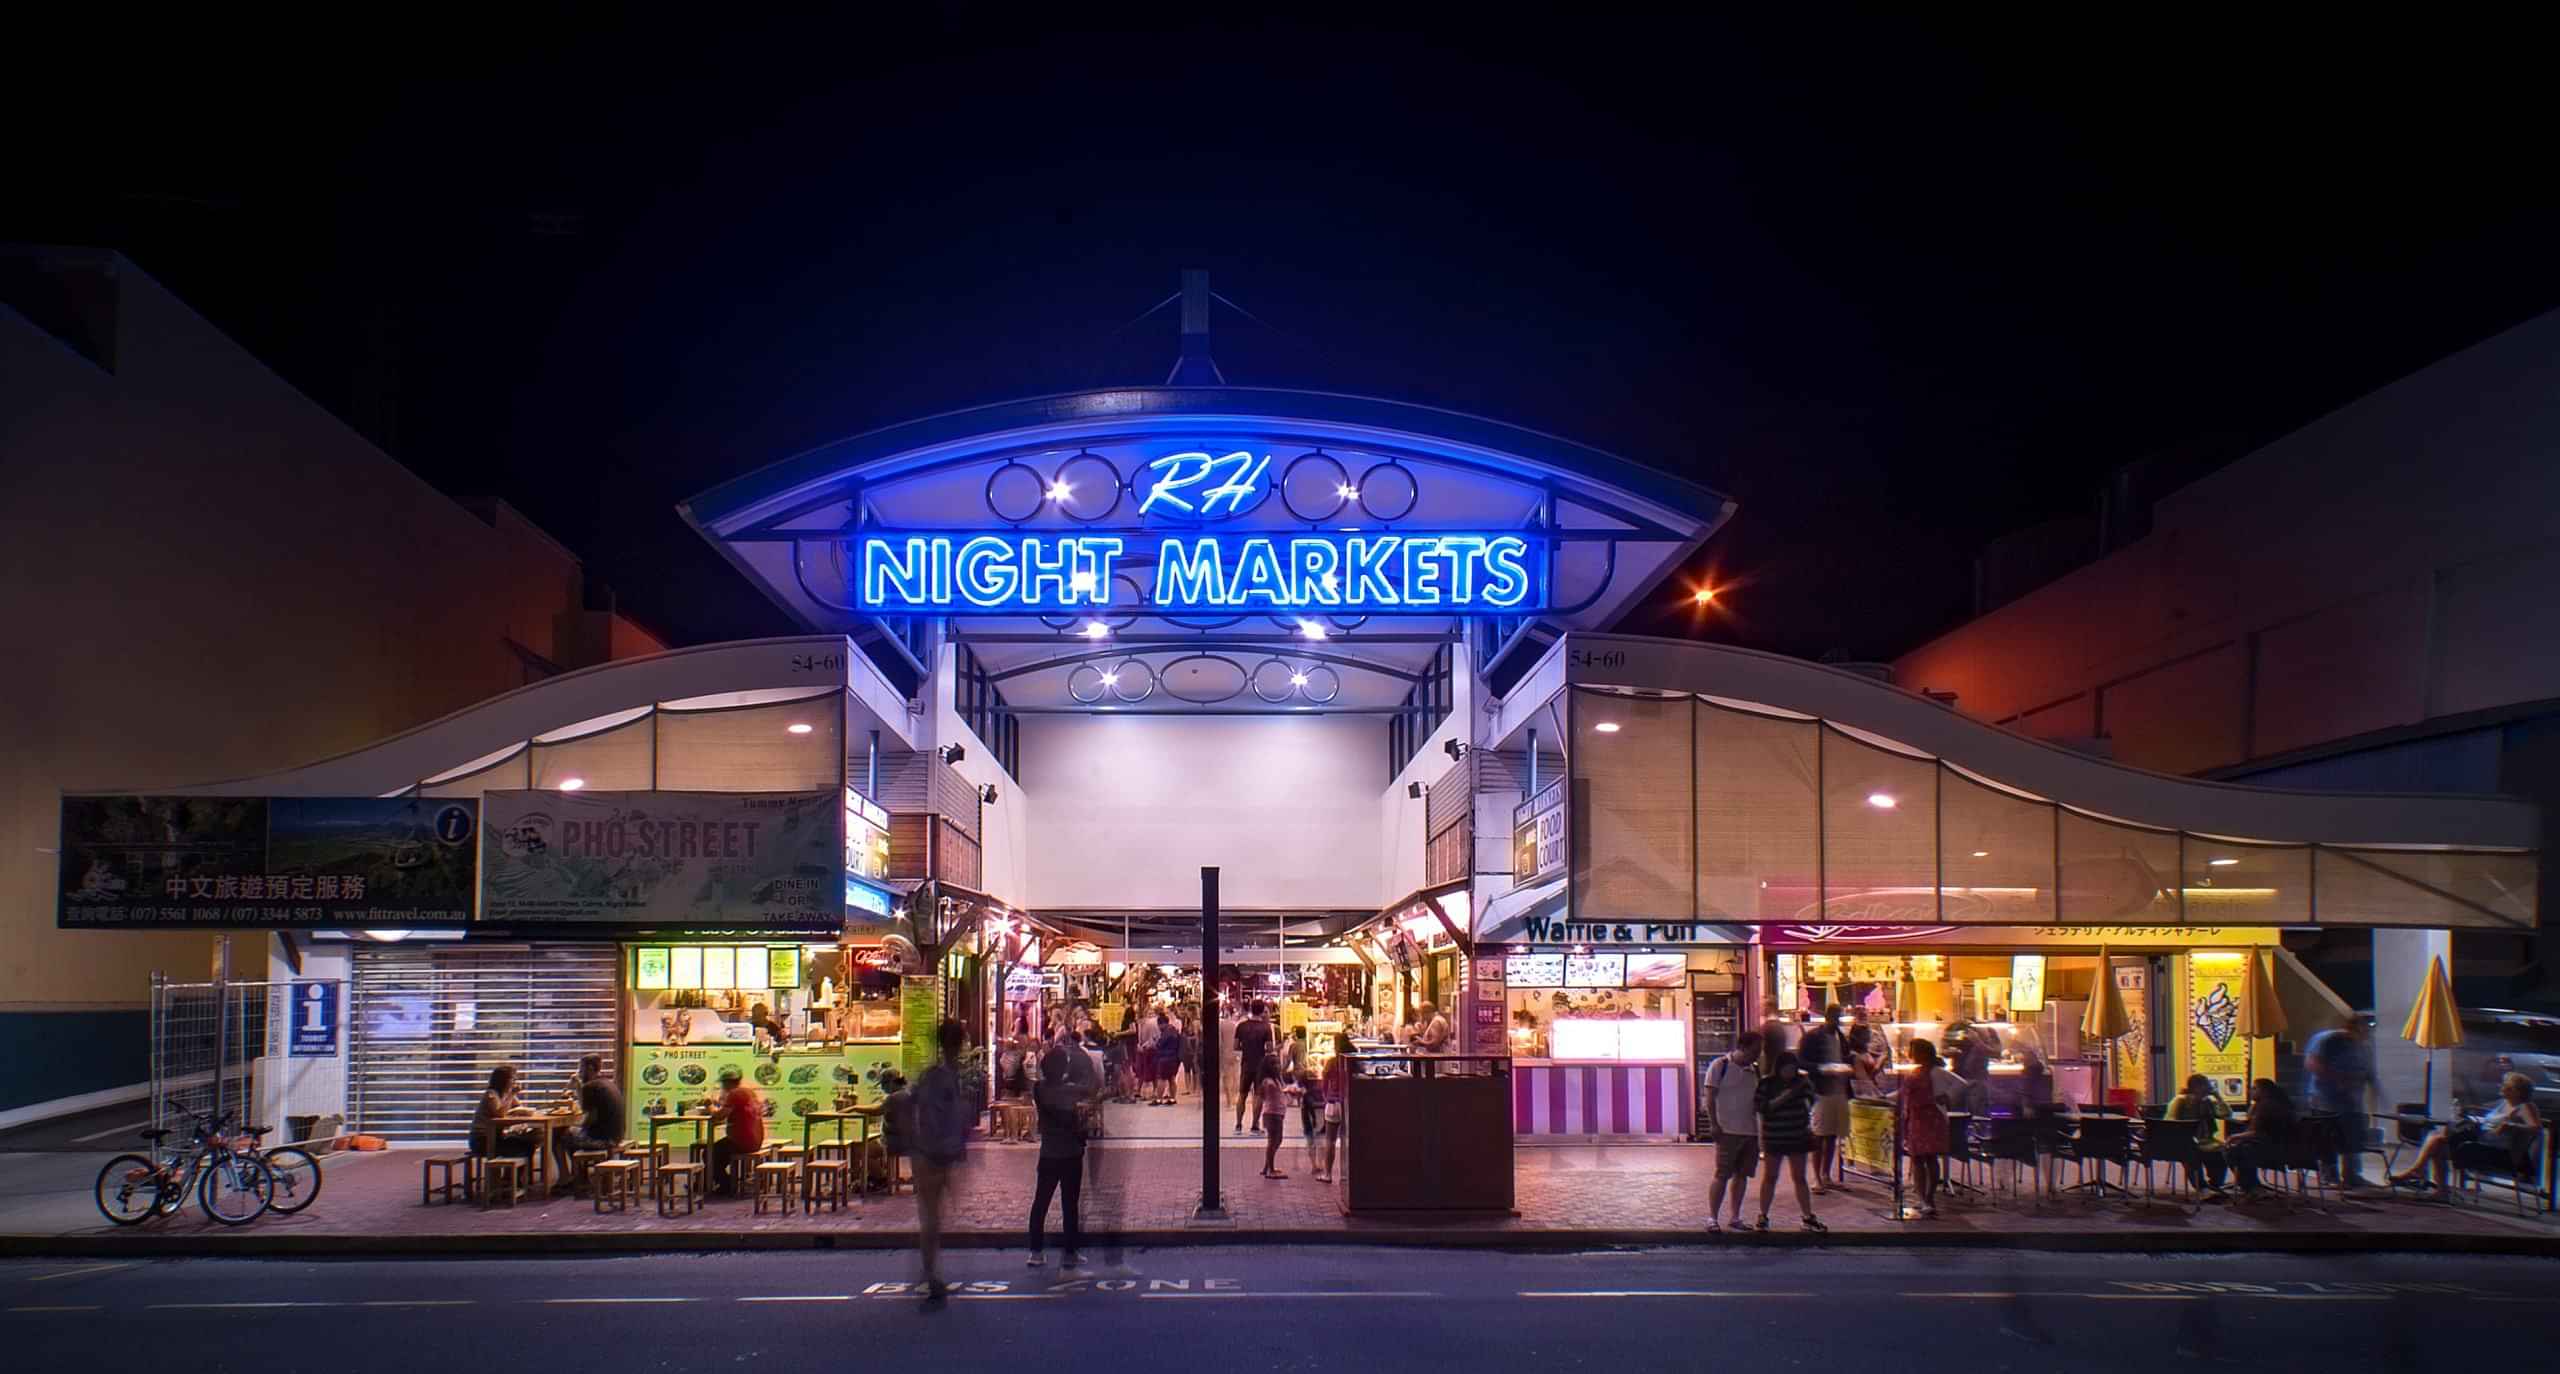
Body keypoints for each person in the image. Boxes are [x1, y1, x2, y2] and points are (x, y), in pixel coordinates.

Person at [2389, 1071, 2544, 1201]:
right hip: (2484, 1143)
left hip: (2498, 1153)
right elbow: (2487, 1119)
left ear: (2515, 1090)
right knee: (2438, 1142)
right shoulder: (2505, 1103)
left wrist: (2512, 1125)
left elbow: (2536, 1128)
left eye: (2506, 1085)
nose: (2501, 1087)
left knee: (2438, 1138)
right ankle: (2436, 1186)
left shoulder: (2525, 1107)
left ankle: (2420, 1172)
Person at [911, 1019, 972, 1307]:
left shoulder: (942, 1074)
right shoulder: (940, 1076)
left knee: (934, 1216)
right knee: (932, 1217)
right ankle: (929, 1274)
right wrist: (942, 1148)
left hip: (935, 1152)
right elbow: (931, 1116)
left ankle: (930, 1271)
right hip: (931, 1153)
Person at [1029, 1026, 1096, 1269]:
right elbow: (1086, 1093)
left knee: (1041, 1202)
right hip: (1069, 1154)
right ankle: (1070, 1252)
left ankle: (1035, 1251)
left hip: (1048, 1154)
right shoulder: (1068, 1092)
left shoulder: (1040, 1089)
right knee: (1070, 1204)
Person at [1753, 1023, 1826, 1232]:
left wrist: (1804, 1092)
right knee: (1770, 1177)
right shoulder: (1767, 1083)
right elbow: (1762, 1107)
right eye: (1787, 1068)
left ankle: (1807, 1215)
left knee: (1799, 1177)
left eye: (1793, 1068)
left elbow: (1812, 1101)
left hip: (1797, 1136)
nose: (1790, 1072)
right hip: (1774, 1137)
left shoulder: (1803, 1083)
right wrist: (1787, 1096)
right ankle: (1763, 1215)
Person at [2304, 1013, 2376, 1190]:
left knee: (2352, 1138)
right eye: (2365, 1028)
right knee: (2327, 1138)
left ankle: (2352, 1175)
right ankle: (2329, 1175)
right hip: (2326, 1100)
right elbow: (2313, 1063)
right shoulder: (2328, 1040)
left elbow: (2367, 1071)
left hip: (2352, 1102)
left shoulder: (2362, 1046)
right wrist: (2339, 1080)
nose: (2367, 1033)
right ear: (2354, 1027)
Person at [1702, 1029, 1764, 1233]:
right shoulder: (1720, 1066)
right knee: (1722, 1174)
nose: (1758, 1055)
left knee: (1742, 1175)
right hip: (1727, 1129)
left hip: (1749, 1131)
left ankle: (1735, 1216)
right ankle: (1712, 1217)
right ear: (1743, 1048)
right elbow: (1709, 1097)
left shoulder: (1754, 1070)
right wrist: (1714, 1124)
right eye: (1755, 1050)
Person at [1798, 1005, 1851, 1192]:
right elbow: (1801, 1062)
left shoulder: (1841, 1036)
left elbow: (1847, 1058)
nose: (1837, 1020)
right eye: (1835, 1017)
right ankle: (1817, 1178)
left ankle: (1826, 1175)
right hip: (1820, 1091)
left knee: (1832, 1135)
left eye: (1840, 1017)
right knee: (1819, 1134)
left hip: (1840, 1090)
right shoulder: (1812, 1037)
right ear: (1827, 1017)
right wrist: (1822, 1069)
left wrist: (1848, 1067)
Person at [1899, 1039, 1952, 1218]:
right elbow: (1961, 1086)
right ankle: (1928, 1198)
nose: (1909, 1053)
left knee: (1919, 1159)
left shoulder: (1918, 1074)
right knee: (1930, 1159)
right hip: (1932, 1118)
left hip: (1920, 1118)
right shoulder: (1937, 1071)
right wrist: (1946, 1098)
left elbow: (1903, 1095)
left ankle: (1924, 1199)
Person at [556, 1053, 623, 1189]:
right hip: (616, 1135)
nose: (579, 1073)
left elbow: (590, 1117)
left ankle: (566, 1178)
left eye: (581, 1069)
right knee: (571, 1135)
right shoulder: (607, 1083)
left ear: (590, 1068)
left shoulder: (590, 1087)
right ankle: (580, 1175)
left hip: (603, 1139)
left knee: (559, 1137)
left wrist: (578, 1087)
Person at [2223, 1078, 2298, 1200]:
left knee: (2231, 1150)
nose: (2250, 1091)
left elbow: (2256, 1133)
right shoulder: (2279, 1103)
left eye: (2254, 1088)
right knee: (2241, 1146)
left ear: (2264, 1091)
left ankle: (2250, 1187)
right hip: (2286, 1149)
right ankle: (2252, 1184)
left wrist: (2233, 1137)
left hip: (2271, 1151)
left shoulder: (2266, 1107)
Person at [2164, 1074, 2231, 1197]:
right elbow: (2170, 1122)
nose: (2209, 1087)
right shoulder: (2180, 1100)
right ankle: (2201, 1187)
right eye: (2206, 1084)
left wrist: (2218, 1097)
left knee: (2221, 1152)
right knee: (2191, 1153)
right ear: (2196, 1087)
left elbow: (2226, 1115)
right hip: (2183, 1140)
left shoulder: (2207, 1102)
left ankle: (2214, 1185)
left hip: (2205, 1140)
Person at [705, 1066, 765, 1197]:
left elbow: (720, 1116)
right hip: (755, 1139)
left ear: (728, 1082)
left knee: (709, 1153)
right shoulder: (748, 1092)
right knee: (716, 1152)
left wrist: (708, 1107)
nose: (722, 1086)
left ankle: (725, 1185)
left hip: (741, 1141)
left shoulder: (735, 1094)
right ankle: (706, 1182)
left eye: (723, 1083)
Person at [469, 1065, 540, 1163]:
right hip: (481, 1140)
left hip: (496, 1137)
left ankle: (513, 1176)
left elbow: (519, 1108)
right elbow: (500, 1114)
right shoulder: (491, 1094)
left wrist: (514, 1098)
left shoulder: (506, 1094)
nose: (515, 1081)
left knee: (528, 1144)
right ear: (502, 1080)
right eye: (512, 1078)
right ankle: (510, 1177)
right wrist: (512, 1094)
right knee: (525, 1148)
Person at [1315, 1030, 1354, 1182]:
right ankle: (1349, 1174)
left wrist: (1326, 1098)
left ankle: (1328, 1174)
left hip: (1332, 1103)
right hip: (1348, 1102)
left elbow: (1324, 1084)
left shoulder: (1332, 1062)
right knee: (1349, 1139)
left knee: (1330, 1140)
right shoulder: (1352, 1060)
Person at [1234, 1000, 1273, 1134]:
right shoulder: (1266, 1027)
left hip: (1246, 1063)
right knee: (1258, 1095)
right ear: (1262, 1011)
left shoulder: (1241, 1026)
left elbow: (1235, 1046)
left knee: (1242, 1095)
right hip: (1260, 1065)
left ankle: (1238, 1125)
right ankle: (1254, 1126)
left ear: (1250, 1009)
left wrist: (1245, 1047)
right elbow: (1269, 1048)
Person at [1257, 1060, 1293, 1179]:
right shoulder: (1268, 1081)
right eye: (1274, 1064)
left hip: (1278, 1113)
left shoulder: (1278, 1079)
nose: (1278, 1066)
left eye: (1278, 1063)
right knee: (1273, 1141)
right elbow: (1264, 1091)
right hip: (1272, 1114)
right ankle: (1270, 1169)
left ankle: (1267, 1166)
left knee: (1277, 1140)